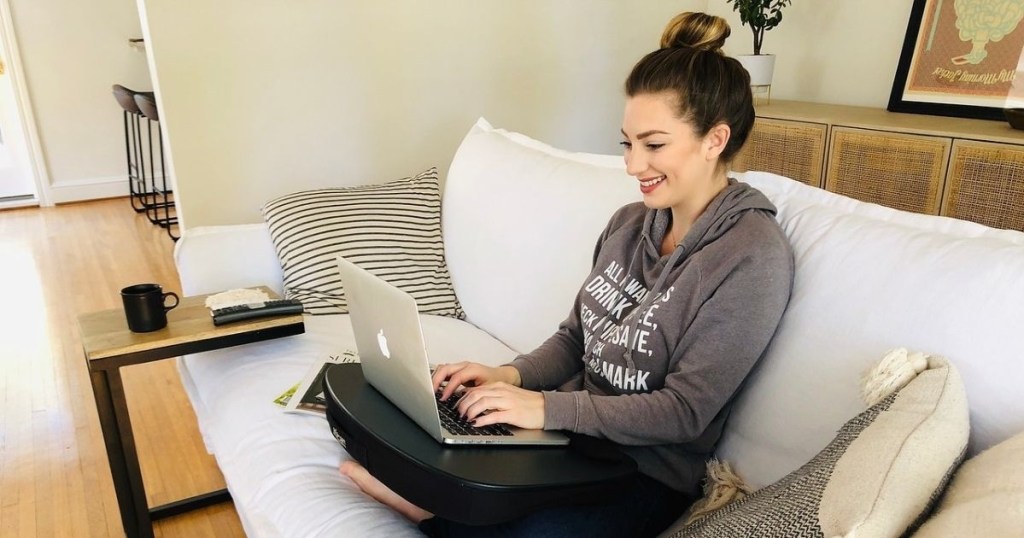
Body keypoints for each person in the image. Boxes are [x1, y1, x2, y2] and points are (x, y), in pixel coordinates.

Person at [340, 11, 795, 538]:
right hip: (566, 442)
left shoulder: (751, 256)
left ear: (715, 140)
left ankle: (429, 512)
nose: (632, 166)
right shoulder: (629, 225)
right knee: (412, 421)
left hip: (642, 474)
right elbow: (575, 338)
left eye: (654, 145)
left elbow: (685, 412)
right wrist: (506, 376)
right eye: (628, 143)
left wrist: (545, 407)